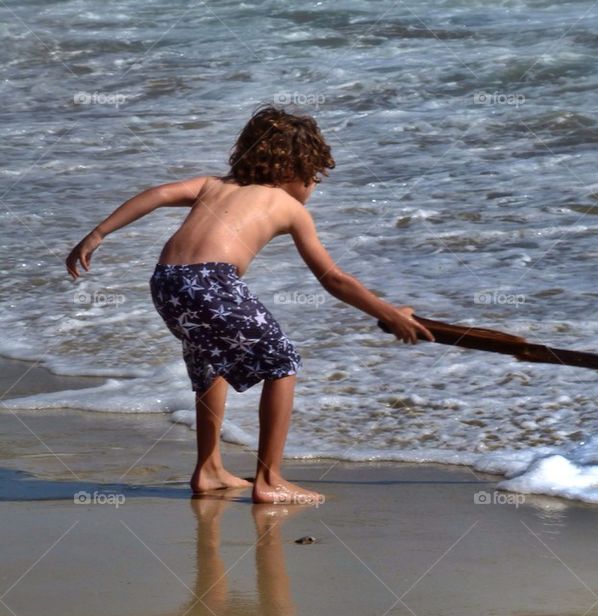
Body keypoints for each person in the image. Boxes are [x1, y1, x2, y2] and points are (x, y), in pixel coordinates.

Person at [65, 105, 433, 504]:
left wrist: (98, 233)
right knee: (283, 363)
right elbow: (334, 279)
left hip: (166, 281)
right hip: (213, 282)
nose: (313, 189)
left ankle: (209, 470)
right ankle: (270, 480)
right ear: (297, 169)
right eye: (315, 179)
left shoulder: (213, 185)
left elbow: (157, 195)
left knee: (210, 364)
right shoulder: (289, 207)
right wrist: (389, 313)